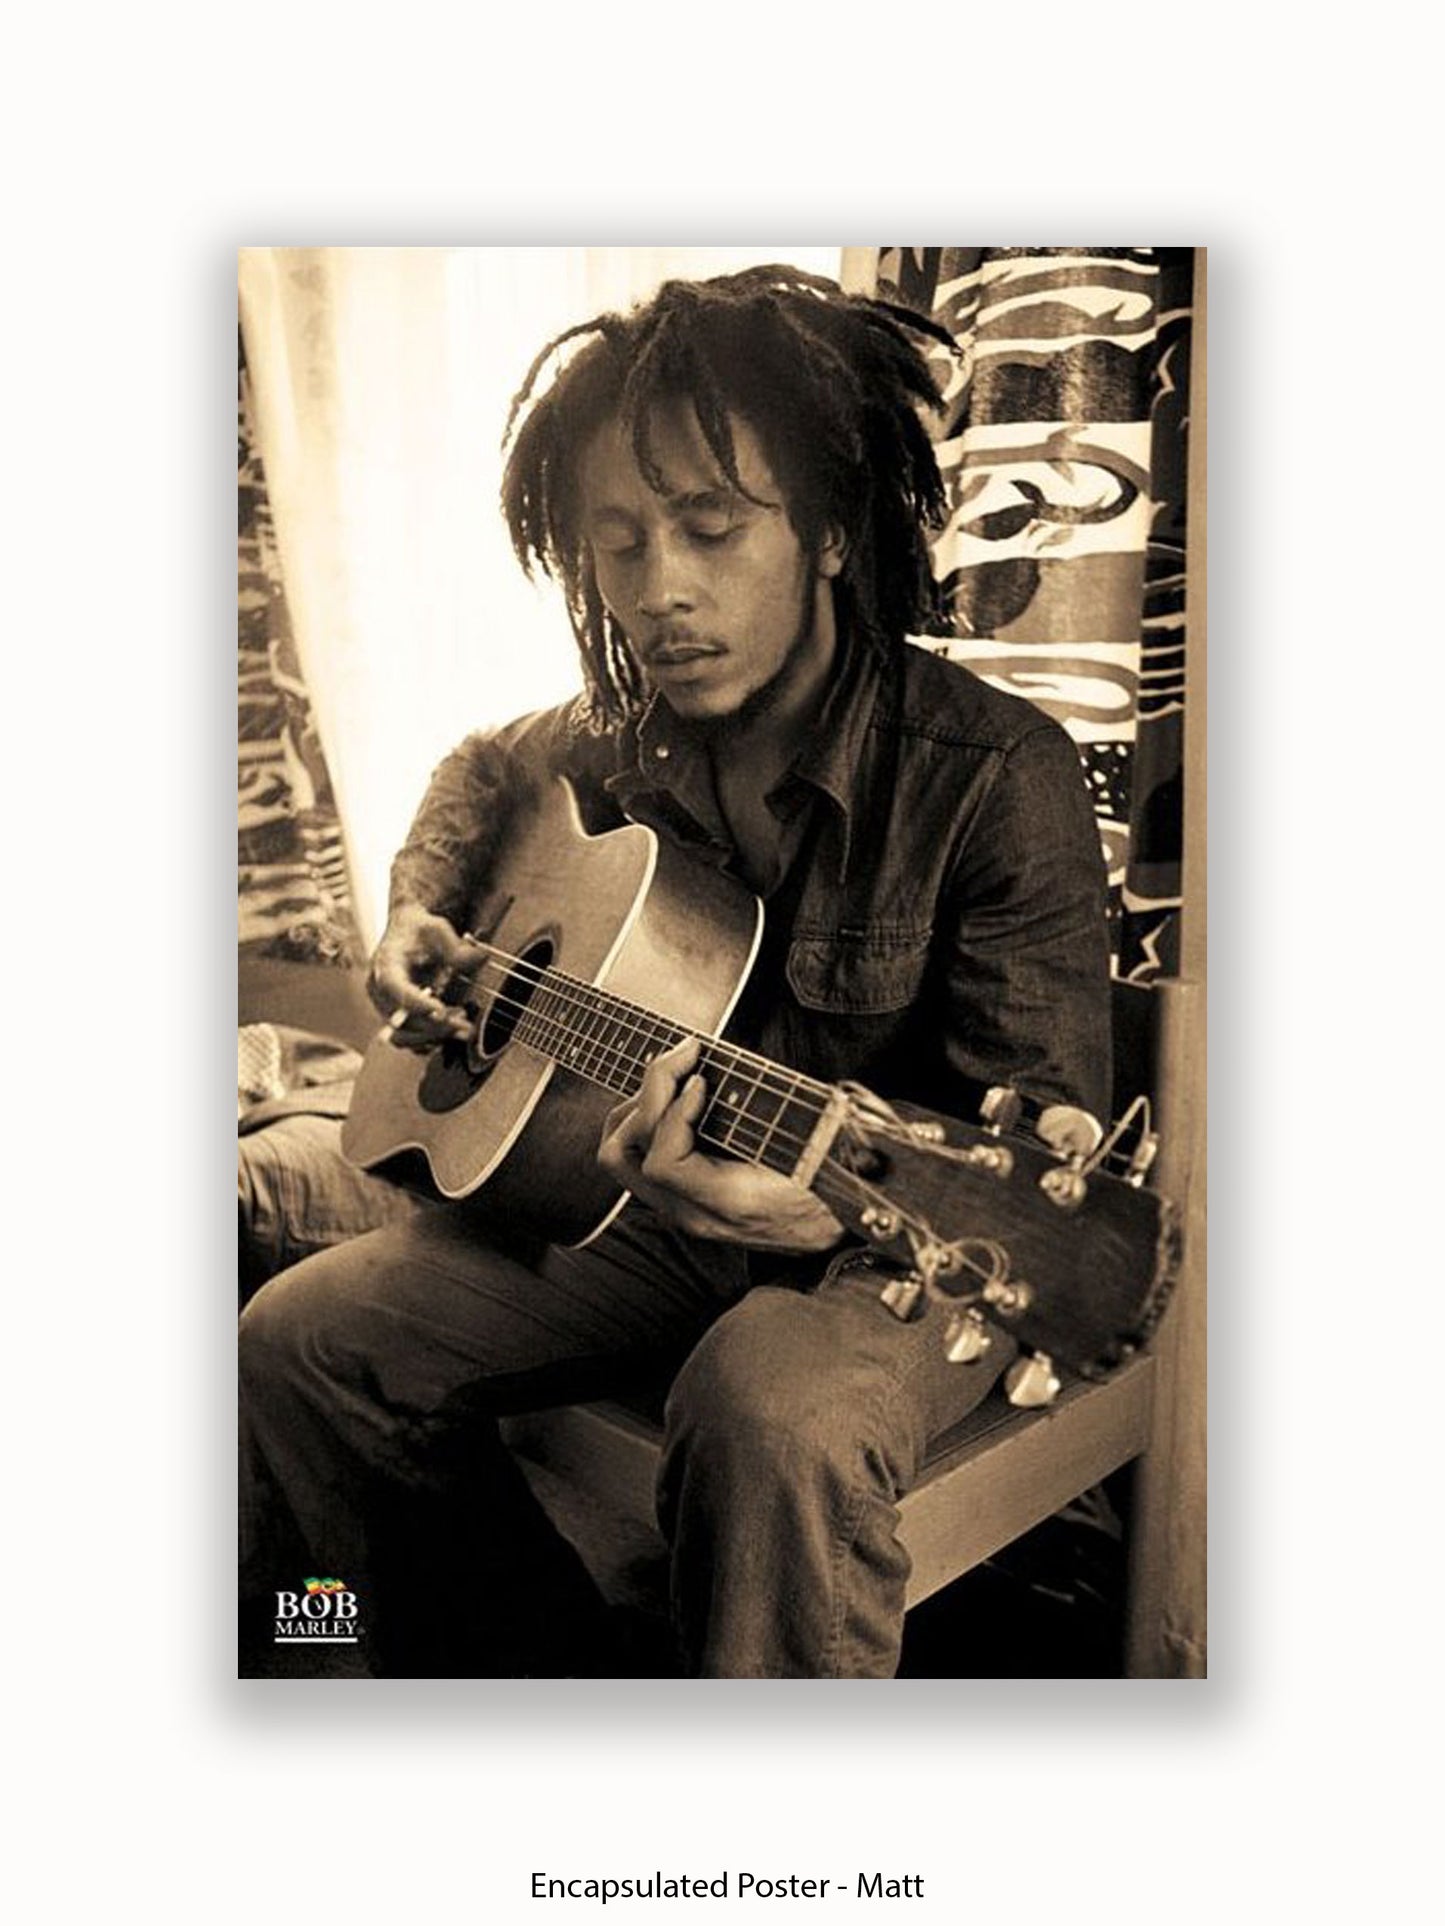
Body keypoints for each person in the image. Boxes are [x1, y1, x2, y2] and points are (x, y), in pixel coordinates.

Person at [238, 265, 1113, 1679]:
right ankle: (508, 1669)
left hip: (899, 1251)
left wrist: (813, 1208)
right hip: (643, 1217)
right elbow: (477, 767)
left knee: (765, 1407)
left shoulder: (995, 775)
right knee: (300, 1338)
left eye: (712, 527)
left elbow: (1028, 1161)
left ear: (829, 528)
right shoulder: (613, 734)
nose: (659, 592)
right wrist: (414, 907)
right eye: (618, 542)